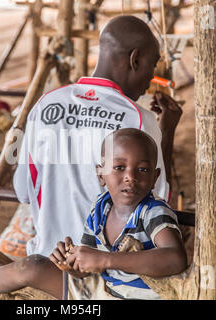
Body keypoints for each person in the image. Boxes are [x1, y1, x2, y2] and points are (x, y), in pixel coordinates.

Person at [0, 128, 187, 300]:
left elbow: (175, 258)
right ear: (100, 174)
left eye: (141, 169)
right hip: (99, 292)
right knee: (31, 265)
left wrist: (105, 259)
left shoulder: (153, 212)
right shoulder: (100, 207)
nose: (130, 177)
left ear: (155, 177)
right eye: (118, 168)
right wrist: (71, 264)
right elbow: (83, 272)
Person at [12, 15, 183, 258]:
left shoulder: (46, 106)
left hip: (49, 260)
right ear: (135, 59)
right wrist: (166, 131)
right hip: (106, 268)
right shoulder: (138, 120)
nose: (151, 78)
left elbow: (23, 191)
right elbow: (157, 200)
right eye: (152, 66)